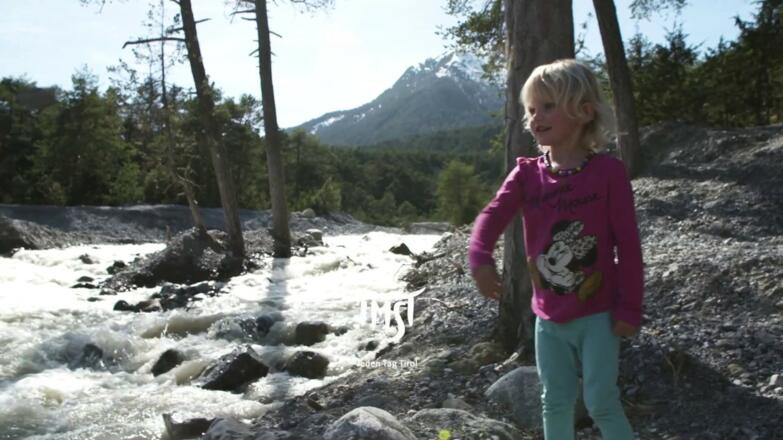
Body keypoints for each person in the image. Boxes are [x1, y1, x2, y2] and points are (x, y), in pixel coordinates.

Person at [468, 59, 643, 439]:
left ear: (583, 111)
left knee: (601, 402)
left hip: (598, 315)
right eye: (531, 109)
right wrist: (480, 256)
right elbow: (491, 216)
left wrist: (630, 306)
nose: (535, 117)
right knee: (555, 400)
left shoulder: (608, 173)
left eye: (548, 106)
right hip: (547, 319)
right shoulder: (527, 174)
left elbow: (628, 246)